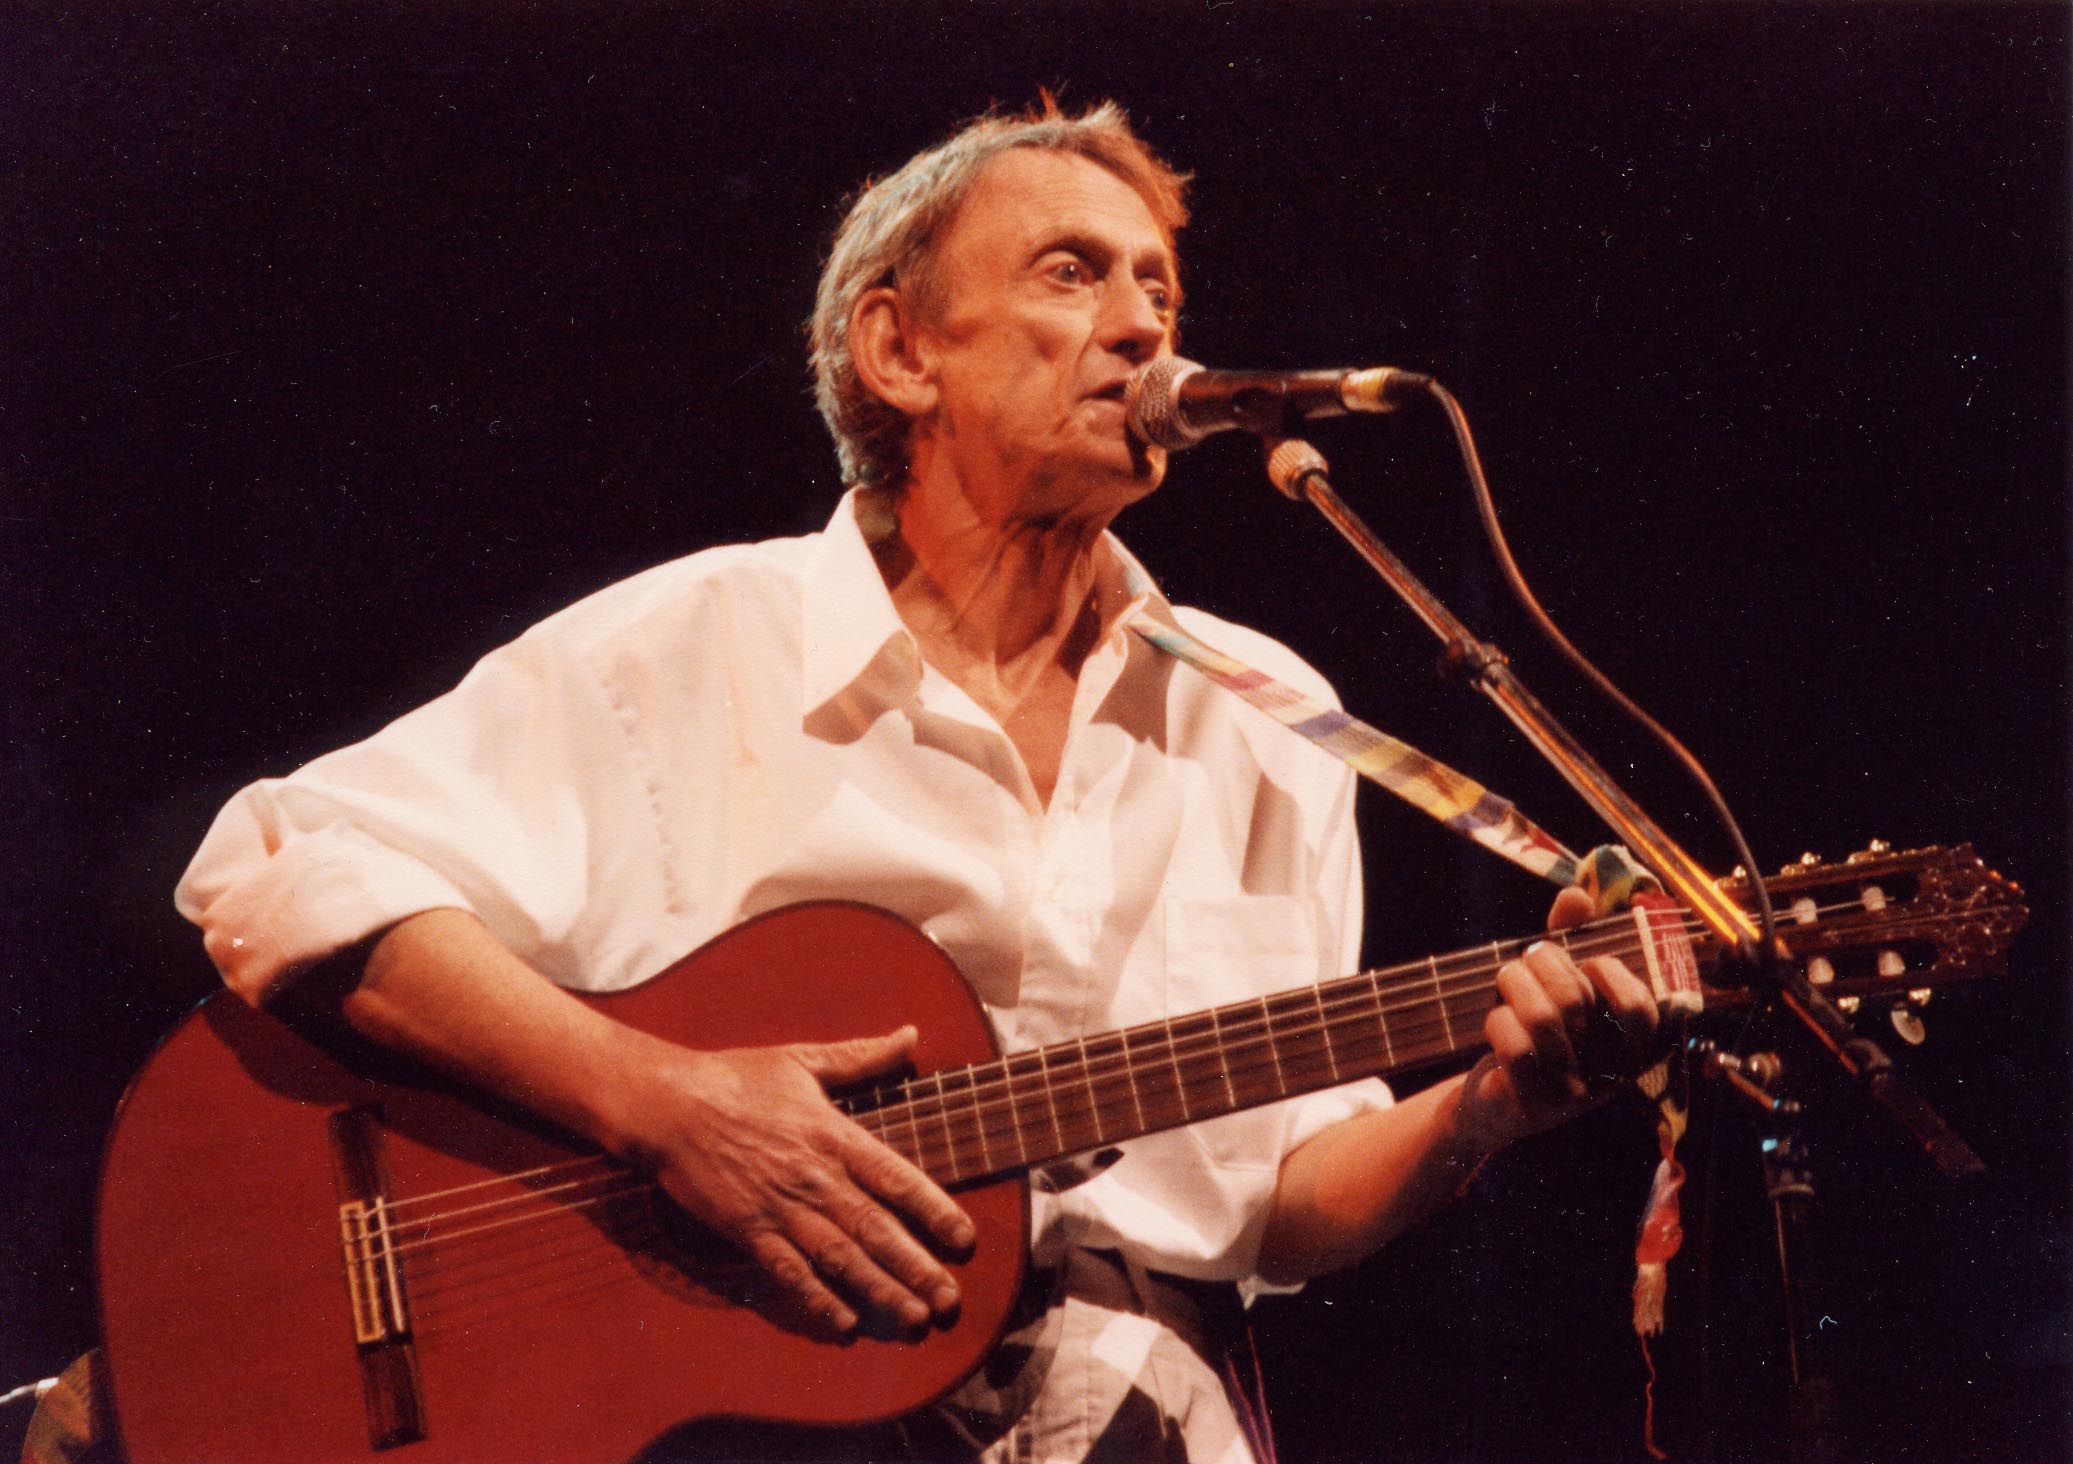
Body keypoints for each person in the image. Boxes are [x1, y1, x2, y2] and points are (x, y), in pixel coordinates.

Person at [173, 100, 1659, 1462]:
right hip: (759, 1411)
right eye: (1073, 273)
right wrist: (665, 1105)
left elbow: (1281, 1200)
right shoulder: (699, 643)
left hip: (1144, 1406)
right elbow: (276, 868)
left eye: (1160, 289)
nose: (1143, 325)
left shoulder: (1268, 719)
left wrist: (1486, 1107)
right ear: (898, 352)